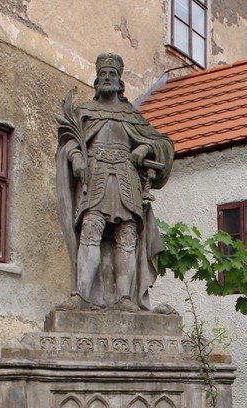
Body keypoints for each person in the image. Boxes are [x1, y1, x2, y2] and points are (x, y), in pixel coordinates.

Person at [55, 52, 174, 310]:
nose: (107, 78)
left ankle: (125, 299)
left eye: (112, 74)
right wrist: (75, 158)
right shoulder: (85, 112)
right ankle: (82, 296)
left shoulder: (131, 116)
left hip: (125, 178)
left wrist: (145, 148)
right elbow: (69, 140)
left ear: (120, 83)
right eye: (103, 74)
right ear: (97, 82)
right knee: (91, 229)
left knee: (127, 235)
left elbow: (163, 143)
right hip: (95, 176)